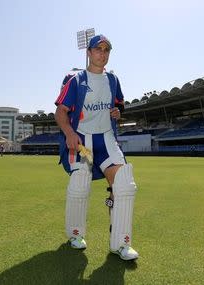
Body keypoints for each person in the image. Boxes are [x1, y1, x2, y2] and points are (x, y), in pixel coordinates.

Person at [54, 34, 139, 261]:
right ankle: (76, 234)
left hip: (107, 139)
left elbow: (118, 107)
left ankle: (121, 243)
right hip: (83, 142)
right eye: (98, 49)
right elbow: (61, 111)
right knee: (80, 182)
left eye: (106, 50)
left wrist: (117, 113)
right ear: (89, 53)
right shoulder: (76, 80)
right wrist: (70, 133)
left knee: (124, 184)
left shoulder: (113, 80)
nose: (102, 54)